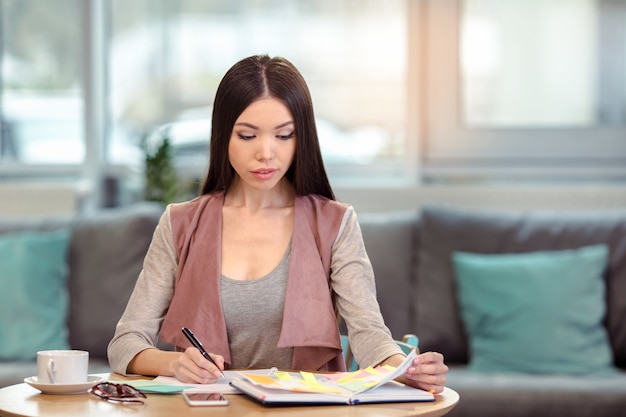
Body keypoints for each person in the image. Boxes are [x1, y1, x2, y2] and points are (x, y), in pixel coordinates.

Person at [107, 54, 447, 393]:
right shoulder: (180, 224)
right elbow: (126, 343)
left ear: (302, 139)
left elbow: (369, 334)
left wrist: (407, 370)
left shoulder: (335, 224)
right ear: (223, 135)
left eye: (284, 136)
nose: (266, 153)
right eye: (247, 135)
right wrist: (174, 363)